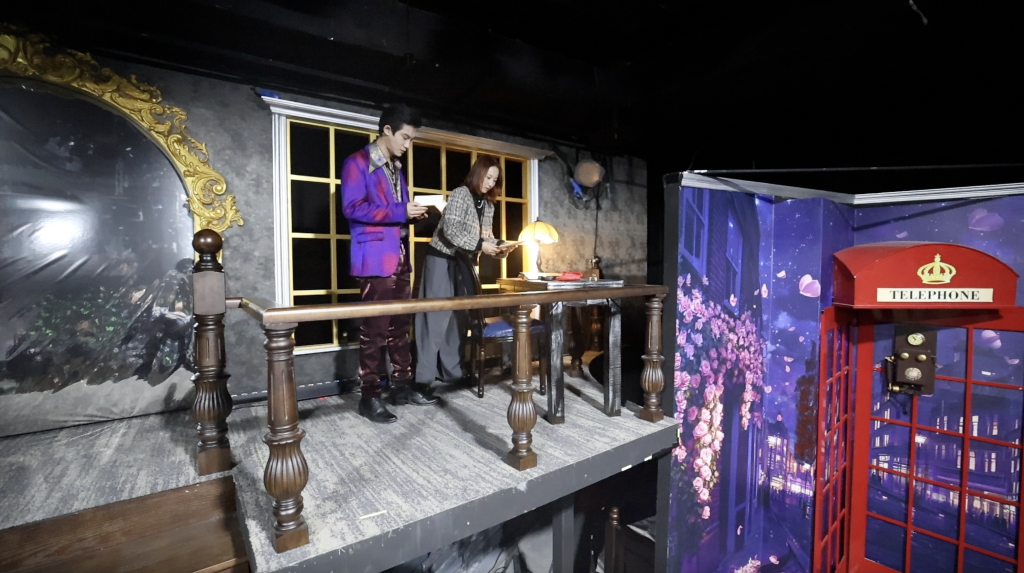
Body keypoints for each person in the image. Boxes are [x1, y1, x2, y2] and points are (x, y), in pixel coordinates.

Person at [341, 104, 437, 424]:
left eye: (411, 139)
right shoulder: (357, 162)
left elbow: (396, 213)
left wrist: (414, 214)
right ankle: (369, 397)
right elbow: (352, 208)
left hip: (400, 256)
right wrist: (400, 211)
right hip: (373, 258)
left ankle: (402, 388)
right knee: (374, 330)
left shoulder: (397, 168)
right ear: (386, 130)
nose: (408, 145)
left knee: (399, 327)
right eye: (405, 138)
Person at [415, 156, 519, 386]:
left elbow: (486, 236)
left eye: (495, 180)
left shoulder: (488, 204)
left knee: (459, 319)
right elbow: (451, 231)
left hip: (465, 263)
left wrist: (501, 247)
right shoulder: (460, 194)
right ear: (478, 173)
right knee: (434, 318)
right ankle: (423, 380)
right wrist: (482, 245)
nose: (490, 183)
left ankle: (452, 373)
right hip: (442, 259)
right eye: (488, 177)